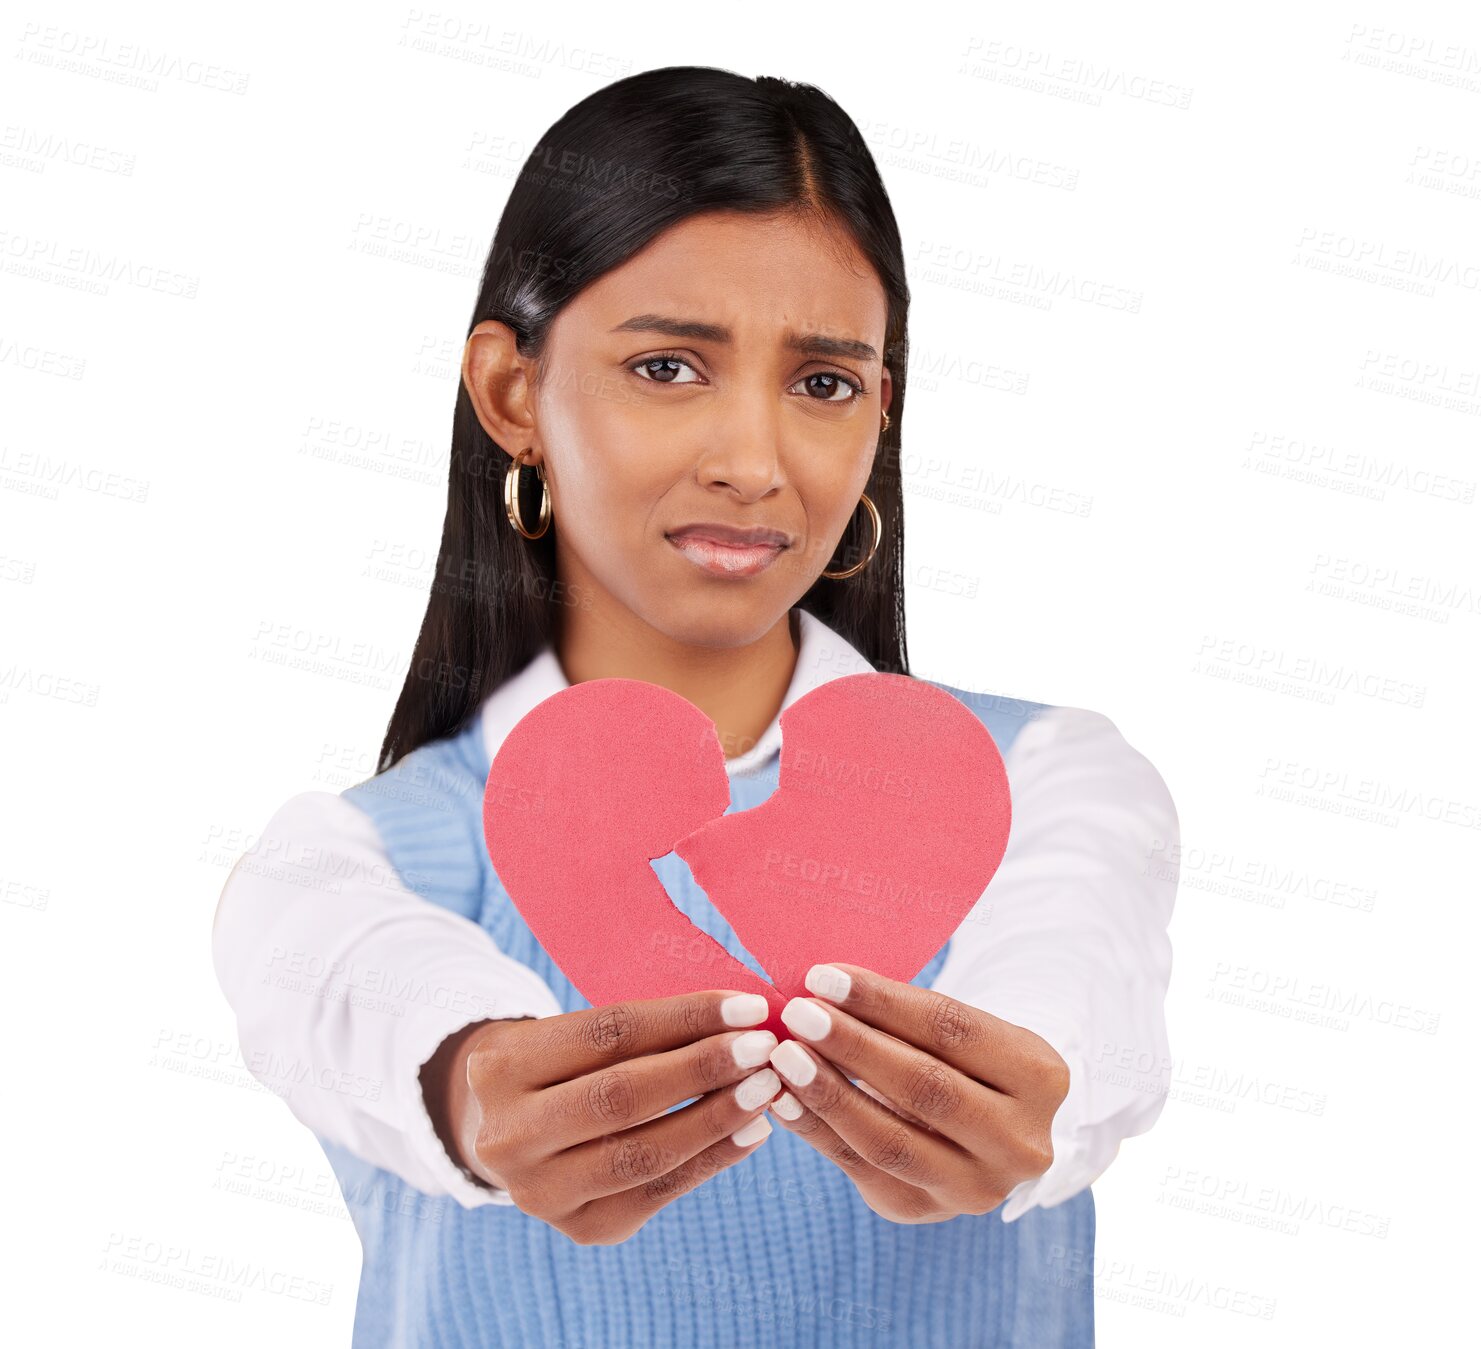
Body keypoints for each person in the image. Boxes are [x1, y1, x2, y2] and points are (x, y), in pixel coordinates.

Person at [211, 65, 1178, 1348]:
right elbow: (356, 984)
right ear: (511, 396)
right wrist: (474, 1078)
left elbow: (1079, 966)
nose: (752, 458)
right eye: (667, 365)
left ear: (878, 412)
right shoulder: (354, 858)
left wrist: (1025, 1090)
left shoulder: (1048, 778)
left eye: (823, 383)